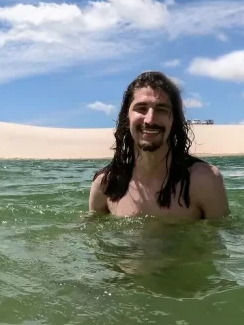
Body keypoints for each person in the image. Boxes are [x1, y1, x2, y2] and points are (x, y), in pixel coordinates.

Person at [89, 71, 229, 220]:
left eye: (161, 109)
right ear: (126, 117)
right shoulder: (106, 185)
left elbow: (224, 235)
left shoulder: (203, 180)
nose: (150, 119)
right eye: (141, 108)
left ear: (174, 119)